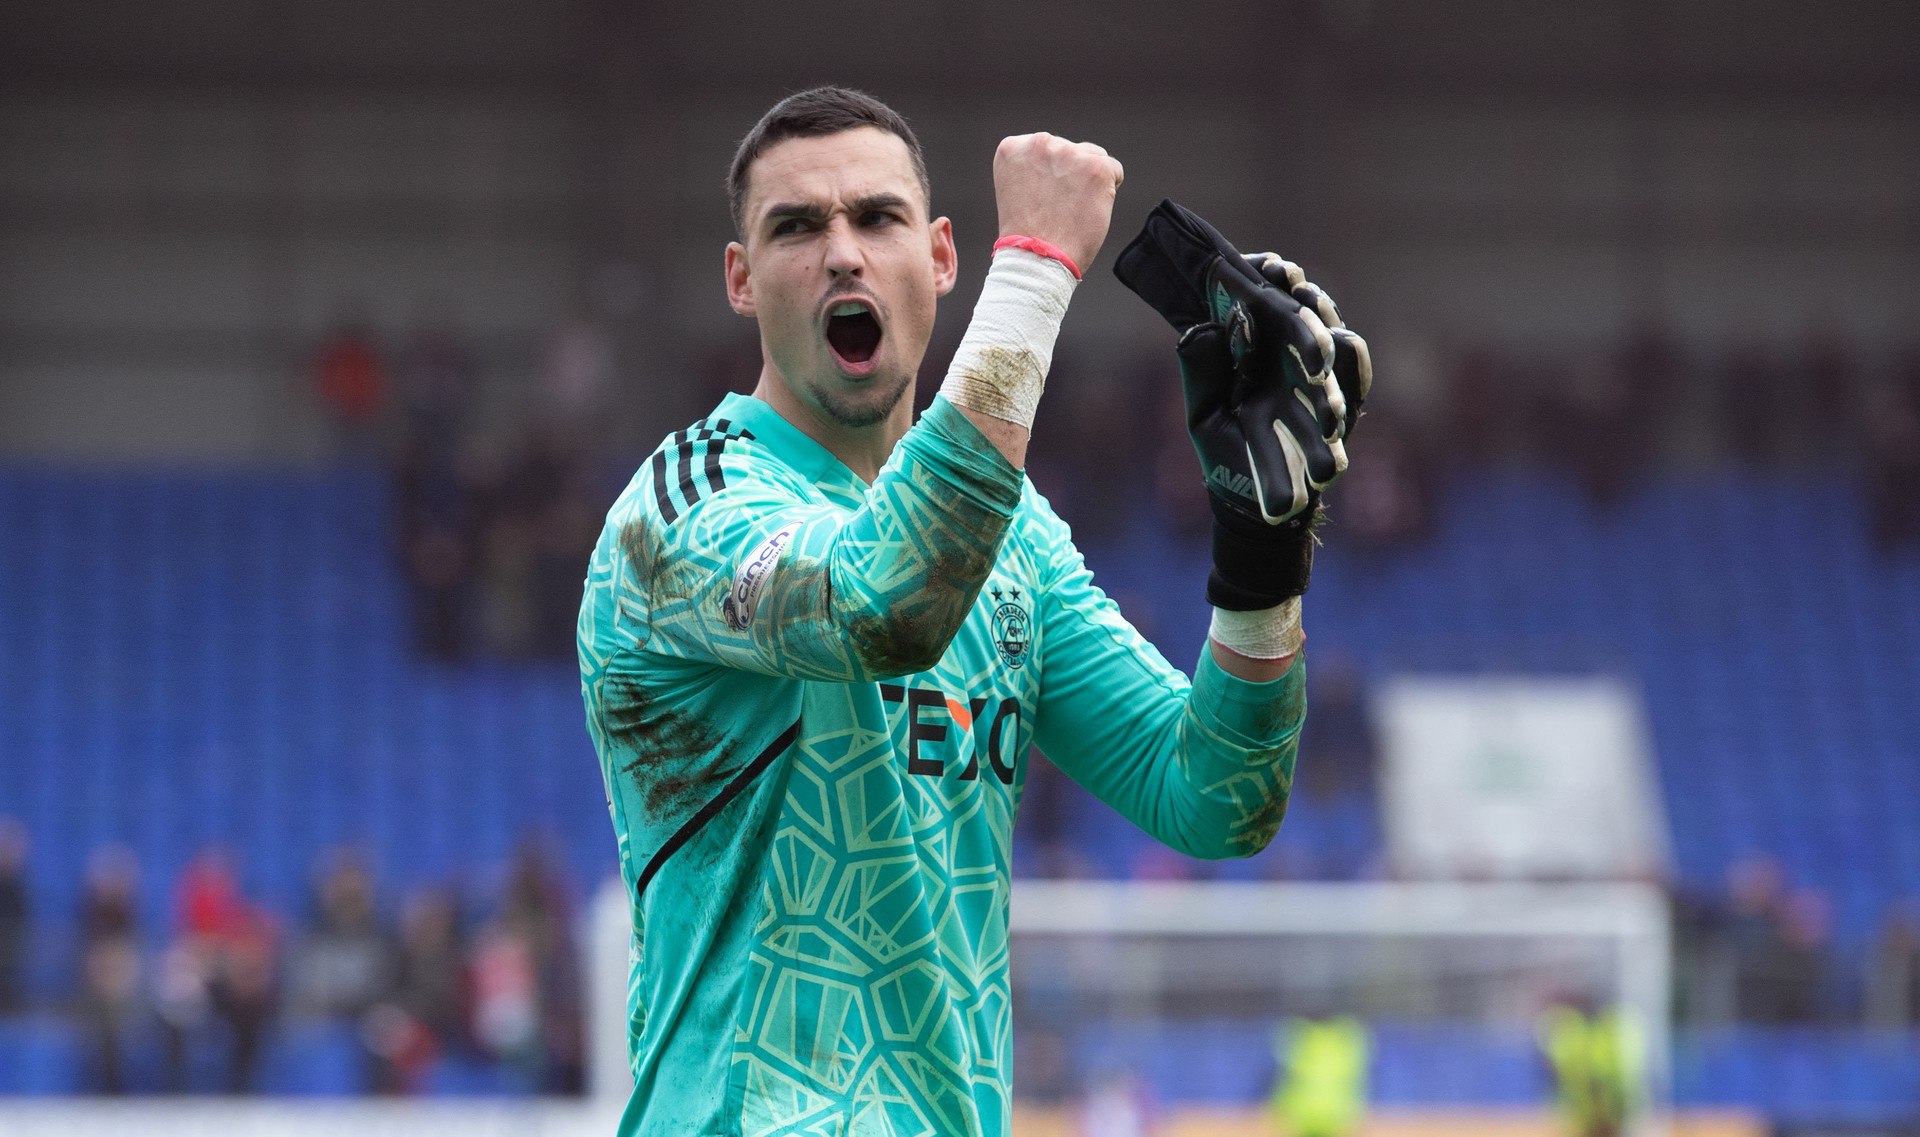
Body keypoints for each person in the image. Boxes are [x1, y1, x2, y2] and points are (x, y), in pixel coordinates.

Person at [578, 86, 1371, 1136]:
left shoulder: (1016, 539)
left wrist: (1261, 567)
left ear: (941, 257)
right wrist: (1038, 268)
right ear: (741, 279)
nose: (843, 254)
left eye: (877, 217)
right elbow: (881, 603)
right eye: (797, 227)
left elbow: (1216, 798)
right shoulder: (682, 511)